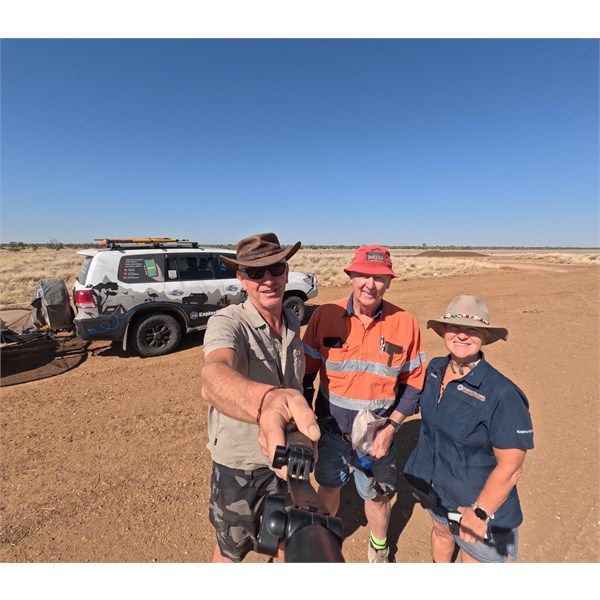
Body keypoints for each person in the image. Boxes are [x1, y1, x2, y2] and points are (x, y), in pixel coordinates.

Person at [200, 232, 320, 563]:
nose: (267, 280)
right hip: (242, 466)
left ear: (286, 271)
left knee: (284, 538)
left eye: (275, 268)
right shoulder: (229, 322)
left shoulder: (293, 320)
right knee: (231, 549)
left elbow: (295, 383)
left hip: (285, 459)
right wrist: (266, 400)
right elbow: (214, 375)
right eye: (255, 273)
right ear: (241, 278)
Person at [302, 245, 426, 562]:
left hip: (378, 438)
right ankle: (324, 540)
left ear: (388, 282)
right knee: (328, 488)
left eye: (379, 278)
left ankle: (379, 547)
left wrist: (391, 428)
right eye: (363, 276)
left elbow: (414, 383)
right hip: (330, 434)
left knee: (379, 496)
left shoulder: (405, 323)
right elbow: (305, 377)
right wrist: (306, 429)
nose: (370, 284)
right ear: (351, 276)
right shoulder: (324, 317)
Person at [403, 295, 534, 563]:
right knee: (441, 532)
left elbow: (511, 467)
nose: (462, 336)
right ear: (443, 332)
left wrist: (480, 512)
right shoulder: (435, 369)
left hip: (480, 505)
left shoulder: (502, 393)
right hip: (438, 490)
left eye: (472, 329)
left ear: (484, 337)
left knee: (472, 557)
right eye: (455, 328)